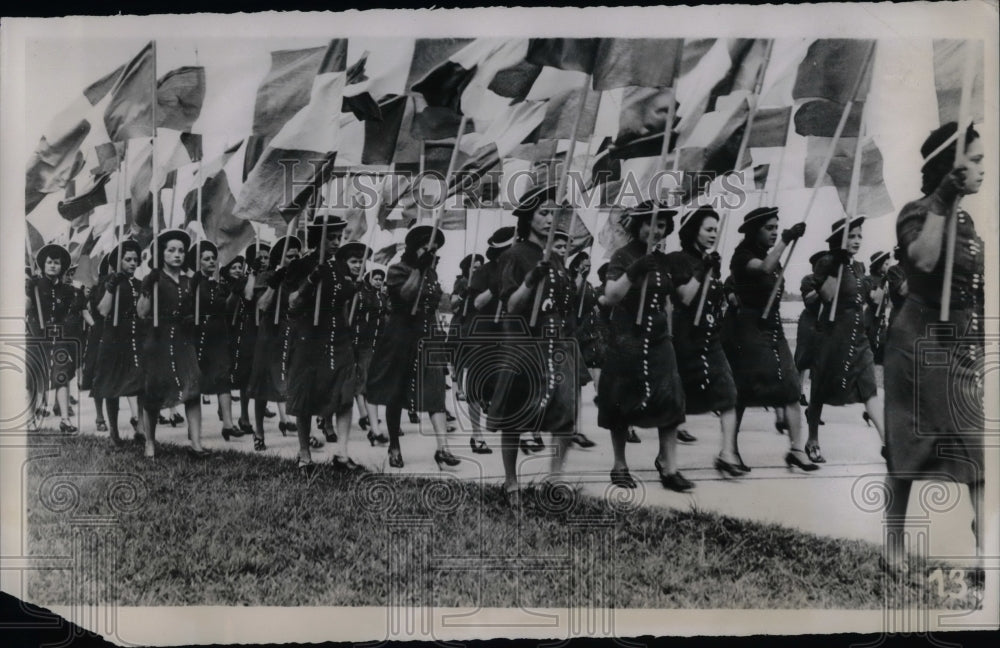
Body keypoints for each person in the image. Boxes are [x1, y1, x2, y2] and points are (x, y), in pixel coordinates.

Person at [883, 123, 985, 575]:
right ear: (950, 165)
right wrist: (943, 198)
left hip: (959, 343)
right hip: (917, 343)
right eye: (976, 160)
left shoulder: (968, 219)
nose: (984, 169)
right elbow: (923, 261)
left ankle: (986, 551)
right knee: (908, 446)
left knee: (975, 448)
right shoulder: (918, 210)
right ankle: (893, 547)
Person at [488, 185, 581, 503]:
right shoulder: (514, 255)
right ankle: (511, 482)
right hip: (524, 344)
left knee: (565, 414)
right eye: (543, 213)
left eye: (554, 213)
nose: (550, 219)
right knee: (514, 416)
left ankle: (555, 478)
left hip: (555, 343)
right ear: (528, 218)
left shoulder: (555, 257)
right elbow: (512, 305)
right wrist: (531, 280)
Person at [599, 201, 691, 491]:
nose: (656, 230)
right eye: (651, 223)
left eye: (661, 225)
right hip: (627, 339)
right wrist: (634, 270)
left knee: (670, 401)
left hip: (659, 340)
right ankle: (619, 464)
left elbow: (680, 299)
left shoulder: (665, 262)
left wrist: (702, 272)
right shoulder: (622, 256)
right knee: (620, 401)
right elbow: (611, 295)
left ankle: (668, 465)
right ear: (638, 226)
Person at [724, 207, 817, 473]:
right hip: (748, 329)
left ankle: (797, 450)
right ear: (755, 230)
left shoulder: (773, 257)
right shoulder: (742, 256)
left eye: (777, 227)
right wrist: (787, 239)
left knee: (790, 385)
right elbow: (763, 269)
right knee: (742, 391)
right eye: (770, 228)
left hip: (772, 327)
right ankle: (729, 451)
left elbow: (771, 270)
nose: (775, 232)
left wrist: (784, 243)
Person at [367, 224, 460, 470]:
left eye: (435, 250)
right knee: (395, 392)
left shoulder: (432, 274)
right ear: (413, 249)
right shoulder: (398, 269)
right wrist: (419, 268)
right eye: (426, 249)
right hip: (401, 335)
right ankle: (394, 446)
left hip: (427, 335)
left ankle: (443, 448)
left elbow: (436, 302)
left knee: (435, 389)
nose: (431, 254)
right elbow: (406, 296)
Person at [667, 207, 741, 477]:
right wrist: (703, 269)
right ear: (692, 231)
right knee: (677, 402)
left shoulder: (711, 260)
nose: (714, 234)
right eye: (708, 229)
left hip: (710, 338)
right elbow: (685, 298)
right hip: (685, 339)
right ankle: (665, 459)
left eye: (716, 230)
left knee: (729, 394)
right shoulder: (677, 260)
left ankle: (727, 454)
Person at [804, 218, 886, 463]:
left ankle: (887, 443)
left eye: (860, 236)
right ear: (840, 239)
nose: (857, 240)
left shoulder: (859, 267)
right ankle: (812, 440)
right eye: (852, 236)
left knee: (869, 389)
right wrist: (834, 267)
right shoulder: (826, 262)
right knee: (820, 390)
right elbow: (826, 296)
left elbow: (868, 299)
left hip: (858, 336)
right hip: (832, 336)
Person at [285, 215, 362, 473]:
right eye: (331, 237)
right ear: (318, 238)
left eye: (339, 237)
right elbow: (292, 303)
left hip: (338, 336)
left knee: (345, 393)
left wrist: (354, 287)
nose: (336, 242)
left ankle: (341, 453)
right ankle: (305, 453)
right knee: (306, 395)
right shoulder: (302, 265)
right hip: (309, 336)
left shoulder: (340, 266)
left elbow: (344, 297)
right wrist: (310, 281)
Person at [136, 230, 204, 458]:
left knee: (192, 389)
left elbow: (196, 313)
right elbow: (142, 313)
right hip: (158, 340)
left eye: (181, 251)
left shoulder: (188, 281)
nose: (177, 254)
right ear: (162, 253)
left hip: (184, 340)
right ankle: (150, 442)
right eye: (171, 250)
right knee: (153, 391)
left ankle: (196, 443)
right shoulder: (154, 279)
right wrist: (147, 288)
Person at [456, 226, 517, 456]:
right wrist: (495, 286)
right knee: (477, 385)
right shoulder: (484, 272)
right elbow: (477, 304)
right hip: (483, 332)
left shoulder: (517, 271)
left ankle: (512, 432)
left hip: (508, 332)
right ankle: (476, 435)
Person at [246, 235, 301, 450]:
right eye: (290, 256)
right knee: (262, 386)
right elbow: (260, 305)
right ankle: (259, 432)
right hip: (269, 335)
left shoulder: (300, 279)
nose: (295, 259)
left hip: (292, 332)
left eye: (298, 255)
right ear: (280, 258)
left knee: (294, 383)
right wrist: (274, 282)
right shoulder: (267, 276)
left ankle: (302, 430)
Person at [186, 241, 242, 441]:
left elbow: (227, 308)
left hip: (218, 334)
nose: (211, 261)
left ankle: (228, 424)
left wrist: (235, 291)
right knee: (195, 380)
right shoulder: (192, 282)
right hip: (198, 334)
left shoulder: (219, 285)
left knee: (223, 376)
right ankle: (193, 426)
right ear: (198, 262)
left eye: (213, 258)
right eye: (206, 258)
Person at [92, 240, 147, 446]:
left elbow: (143, 313)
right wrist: (110, 287)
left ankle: (141, 426)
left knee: (140, 383)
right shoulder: (107, 281)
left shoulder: (140, 284)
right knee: (111, 386)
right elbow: (103, 311)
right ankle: (114, 432)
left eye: (135, 260)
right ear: (118, 261)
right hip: (113, 339)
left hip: (135, 337)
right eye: (128, 259)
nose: (133, 263)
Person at [25, 243, 81, 433]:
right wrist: (26, 290)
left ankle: (65, 419)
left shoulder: (67, 289)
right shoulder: (34, 285)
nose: (53, 266)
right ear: (42, 264)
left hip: (58, 337)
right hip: (36, 336)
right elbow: (24, 308)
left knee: (61, 375)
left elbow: (72, 313)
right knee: (33, 378)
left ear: (62, 266)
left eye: (57, 263)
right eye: (49, 262)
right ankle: (30, 418)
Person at [229, 244, 269, 436]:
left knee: (264, 374)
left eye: (266, 257)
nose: (264, 260)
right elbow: (248, 295)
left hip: (268, 330)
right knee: (247, 374)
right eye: (260, 257)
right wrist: (252, 274)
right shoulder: (245, 279)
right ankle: (244, 416)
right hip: (249, 331)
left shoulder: (272, 278)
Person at [351, 267, 389, 446]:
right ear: (369, 279)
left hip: (376, 342)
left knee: (368, 379)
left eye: (381, 279)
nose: (379, 281)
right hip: (360, 341)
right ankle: (364, 415)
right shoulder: (361, 293)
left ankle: (367, 417)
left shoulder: (382, 296)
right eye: (376, 278)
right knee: (361, 379)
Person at [80, 253, 110, 433]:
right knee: (99, 375)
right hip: (101, 333)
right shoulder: (99, 286)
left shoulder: (129, 283)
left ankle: (135, 417)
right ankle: (100, 416)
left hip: (121, 333)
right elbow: (97, 309)